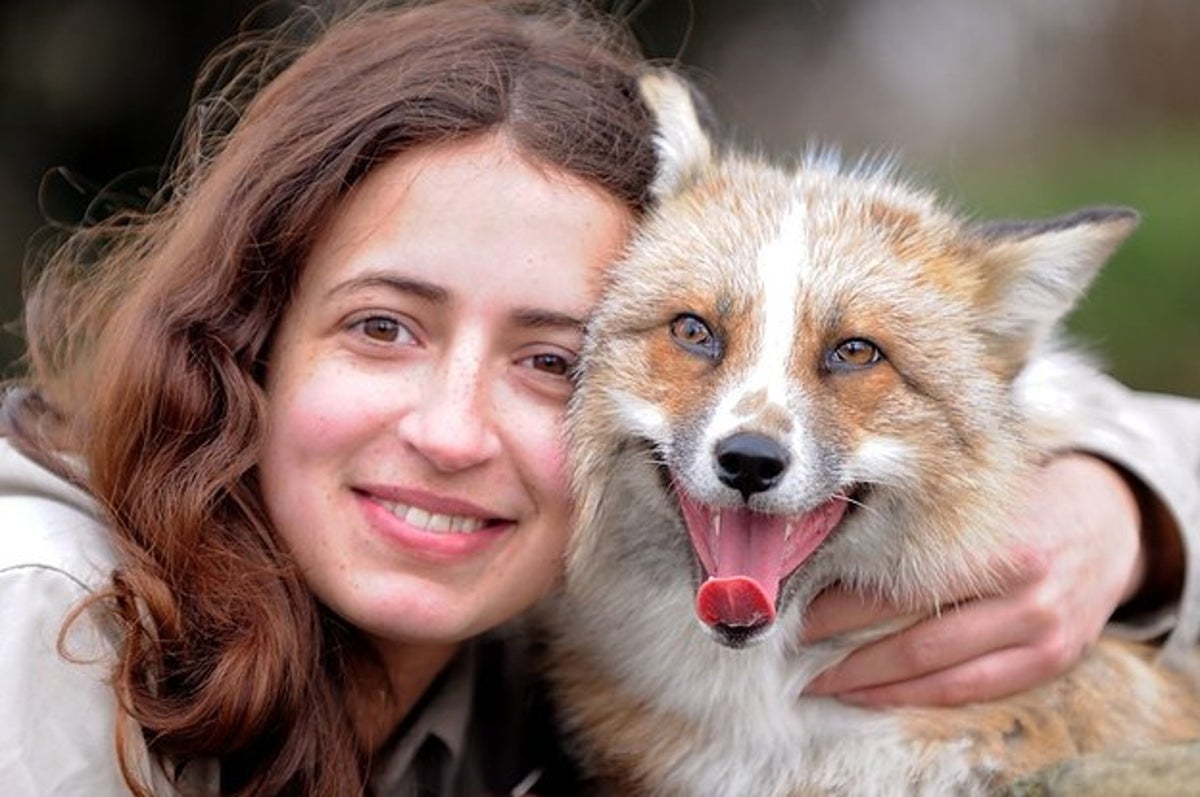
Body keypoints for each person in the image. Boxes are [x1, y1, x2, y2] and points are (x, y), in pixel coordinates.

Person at [0, 0, 1197, 795]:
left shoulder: (512, 623)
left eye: (551, 361)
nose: (453, 431)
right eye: (382, 327)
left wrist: (1127, 512)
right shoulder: (43, 620)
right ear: (249, 333)